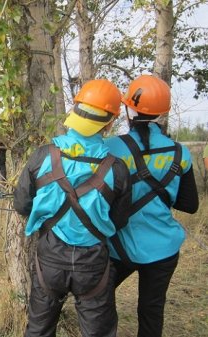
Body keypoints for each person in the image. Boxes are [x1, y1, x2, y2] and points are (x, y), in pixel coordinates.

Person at [14, 79, 131, 337]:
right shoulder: (117, 169)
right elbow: (119, 220)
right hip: (93, 263)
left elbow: (22, 205)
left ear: (75, 111)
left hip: (50, 259)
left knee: (39, 330)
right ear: (109, 122)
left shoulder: (43, 156)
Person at [104, 74, 199, 337]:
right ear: (162, 113)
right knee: (151, 310)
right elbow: (190, 205)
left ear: (127, 109)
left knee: (97, 302)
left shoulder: (110, 148)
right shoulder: (180, 153)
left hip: (118, 247)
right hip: (163, 248)